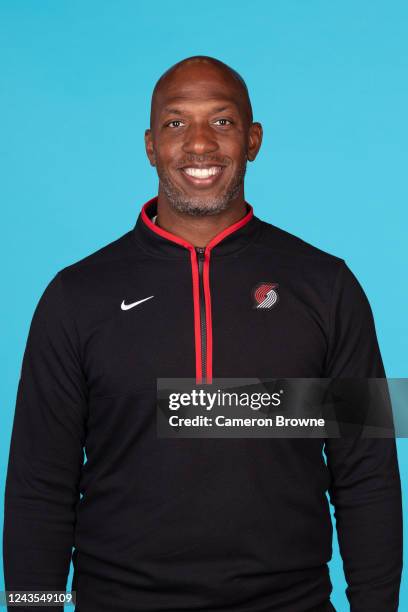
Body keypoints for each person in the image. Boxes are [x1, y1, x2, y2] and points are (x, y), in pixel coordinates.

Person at [3, 56, 402, 612]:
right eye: (175, 123)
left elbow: (365, 474)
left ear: (253, 139)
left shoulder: (326, 286)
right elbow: (39, 488)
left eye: (221, 121)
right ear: (149, 145)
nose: (199, 145)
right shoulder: (76, 297)